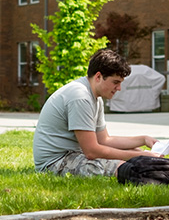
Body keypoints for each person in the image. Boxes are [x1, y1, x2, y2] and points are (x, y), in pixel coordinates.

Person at [33, 49, 162, 177]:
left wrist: (143, 140)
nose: (119, 88)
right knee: (125, 167)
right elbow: (92, 151)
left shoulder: (95, 97)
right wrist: (139, 156)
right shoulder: (80, 97)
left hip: (74, 154)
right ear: (98, 77)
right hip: (55, 162)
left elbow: (104, 140)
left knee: (133, 153)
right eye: (115, 82)